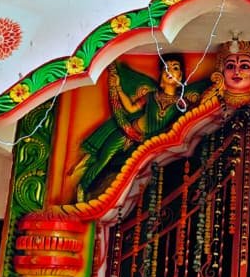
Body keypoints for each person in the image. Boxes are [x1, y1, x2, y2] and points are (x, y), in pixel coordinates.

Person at [70, 55, 197, 200]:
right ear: (161, 75)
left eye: (175, 68)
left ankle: (103, 195)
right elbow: (131, 109)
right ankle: (82, 188)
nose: (170, 71)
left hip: (143, 144)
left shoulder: (182, 104)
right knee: (103, 159)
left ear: (180, 77)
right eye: (166, 68)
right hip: (126, 132)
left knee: (127, 171)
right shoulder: (151, 96)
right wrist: (117, 87)